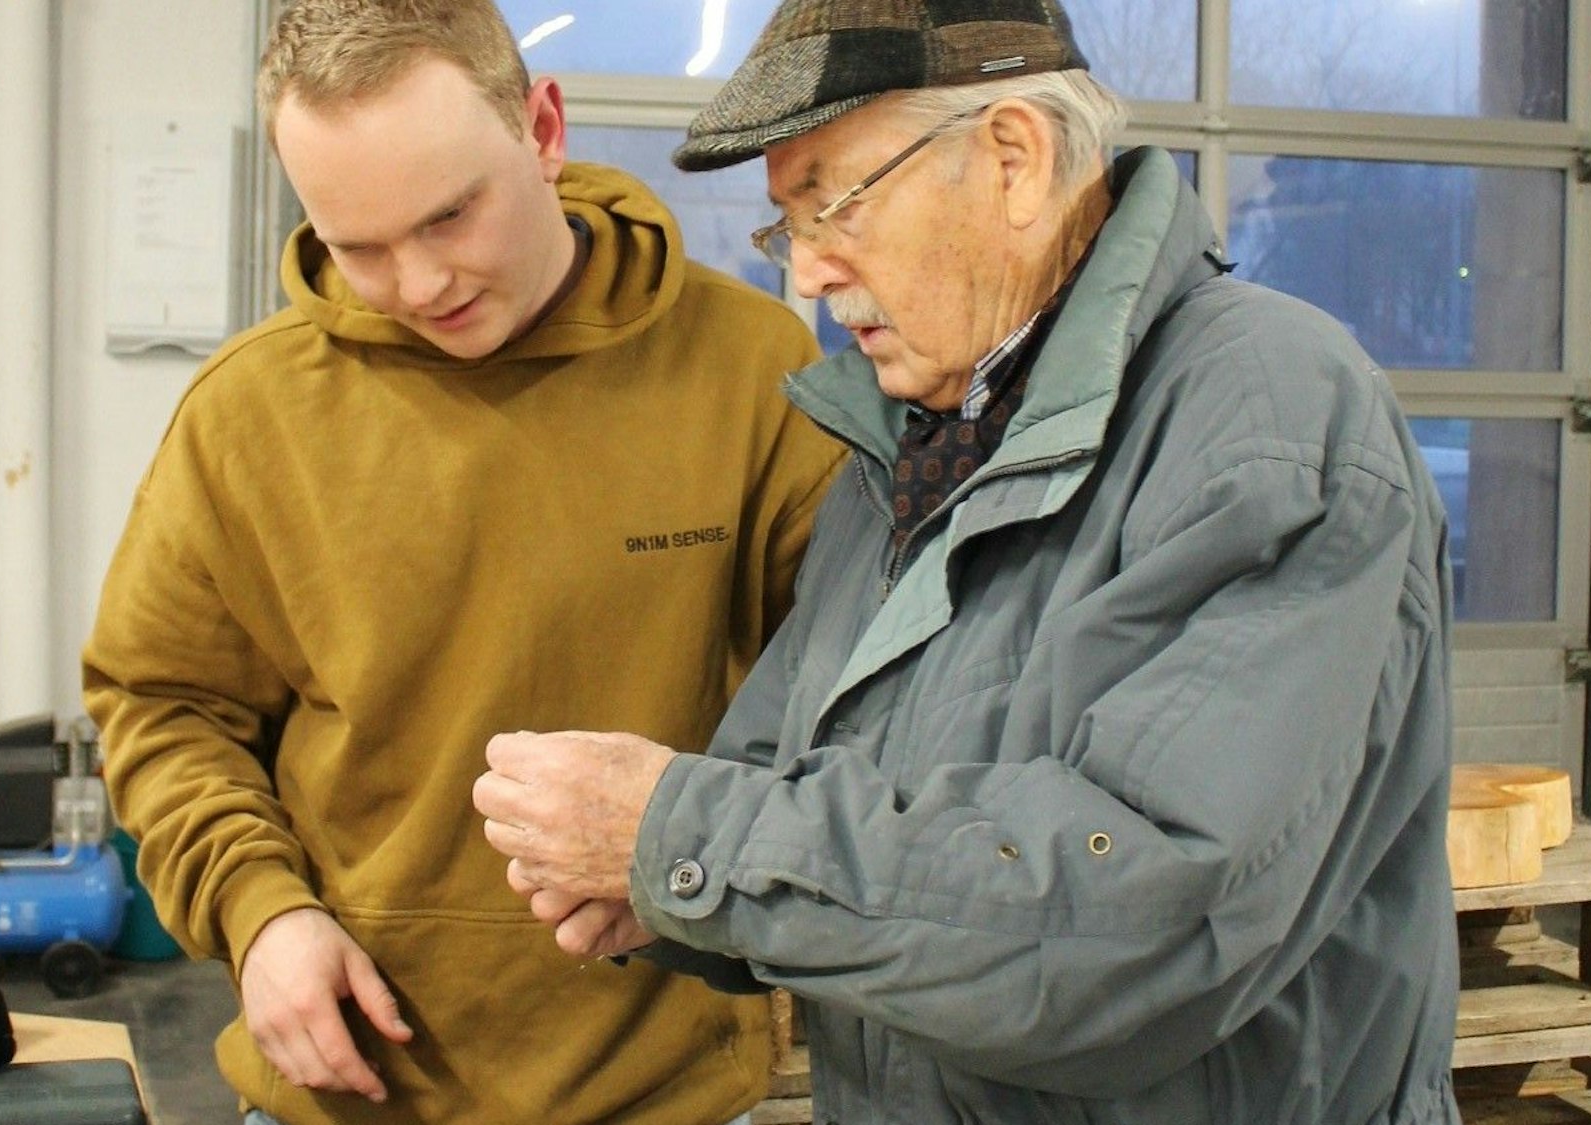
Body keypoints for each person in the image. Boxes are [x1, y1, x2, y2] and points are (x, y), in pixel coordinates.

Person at [473, 1, 1461, 1122]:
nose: (806, 275)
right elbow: (787, 777)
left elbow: (1142, 916)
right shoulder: (911, 445)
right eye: (783, 226)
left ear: (1011, 159)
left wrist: (683, 837)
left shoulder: (1268, 414)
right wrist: (675, 894)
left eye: (830, 202)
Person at [82, 2, 843, 1122]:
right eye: (358, 246)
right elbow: (163, 707)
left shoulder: (748, 370)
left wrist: (709, 859)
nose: (420, 283)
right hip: (344, 1086)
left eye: (448, 216)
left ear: (541, 129)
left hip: (673, 1089)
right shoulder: (246, 417)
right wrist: (260, 914)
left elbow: (854, 701)